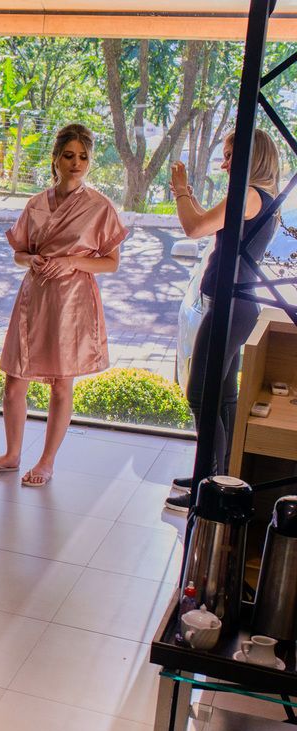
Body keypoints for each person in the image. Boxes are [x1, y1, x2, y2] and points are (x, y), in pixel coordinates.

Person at [0, 123, 127, 487]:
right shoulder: (36, 204)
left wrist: (73, 262)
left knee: (61, 384)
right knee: (14, 380)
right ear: (55, 159)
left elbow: (111, 261)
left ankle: (46, 461)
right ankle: (12, 455)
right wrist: (31, 261)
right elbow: (19, 253)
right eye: (69, 156)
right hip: (34, 297)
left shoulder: (99, 207)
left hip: (72, 302)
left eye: (84, 157)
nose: (76, 163)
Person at [166, 128, 281, 511]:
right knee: (224, 397)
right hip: (236, 305)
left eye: (232, 155)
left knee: (200, 393)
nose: (224, 162)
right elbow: (207, 223)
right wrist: (190, 198)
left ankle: (206, 482)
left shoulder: (247, 195)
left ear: (254, 157)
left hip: (229, 307)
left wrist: (181, 190)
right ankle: (217, 477)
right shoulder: (260, 197)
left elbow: (193, 227)